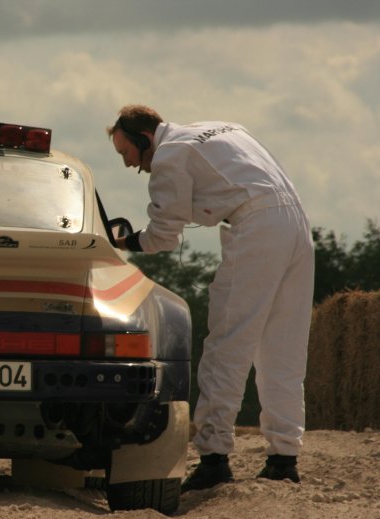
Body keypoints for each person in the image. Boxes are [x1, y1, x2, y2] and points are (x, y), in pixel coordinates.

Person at [107, 104, 314, 491]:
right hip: (296, 223)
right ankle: (284, 458)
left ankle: (214, 458)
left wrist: (126, 241)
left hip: (256, 227)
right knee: (283, 348)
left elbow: (164, 236)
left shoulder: (168, 156)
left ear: (144, 139)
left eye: (127, 153)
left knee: (226, 344)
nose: (129, 164)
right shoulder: (223, 127)